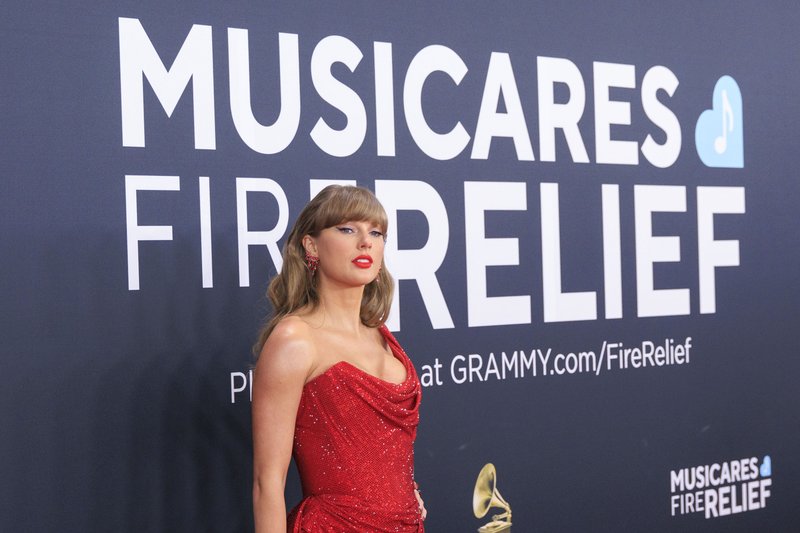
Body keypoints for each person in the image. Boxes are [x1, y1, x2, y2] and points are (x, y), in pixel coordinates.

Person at [252, 185, 426, 532]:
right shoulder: (294, 340)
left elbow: (382, 454)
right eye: (347, 229)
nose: (366, 242)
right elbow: (267, 483)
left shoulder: (380, 334)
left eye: (376, 232)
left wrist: (402, 495)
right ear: (311, 245)